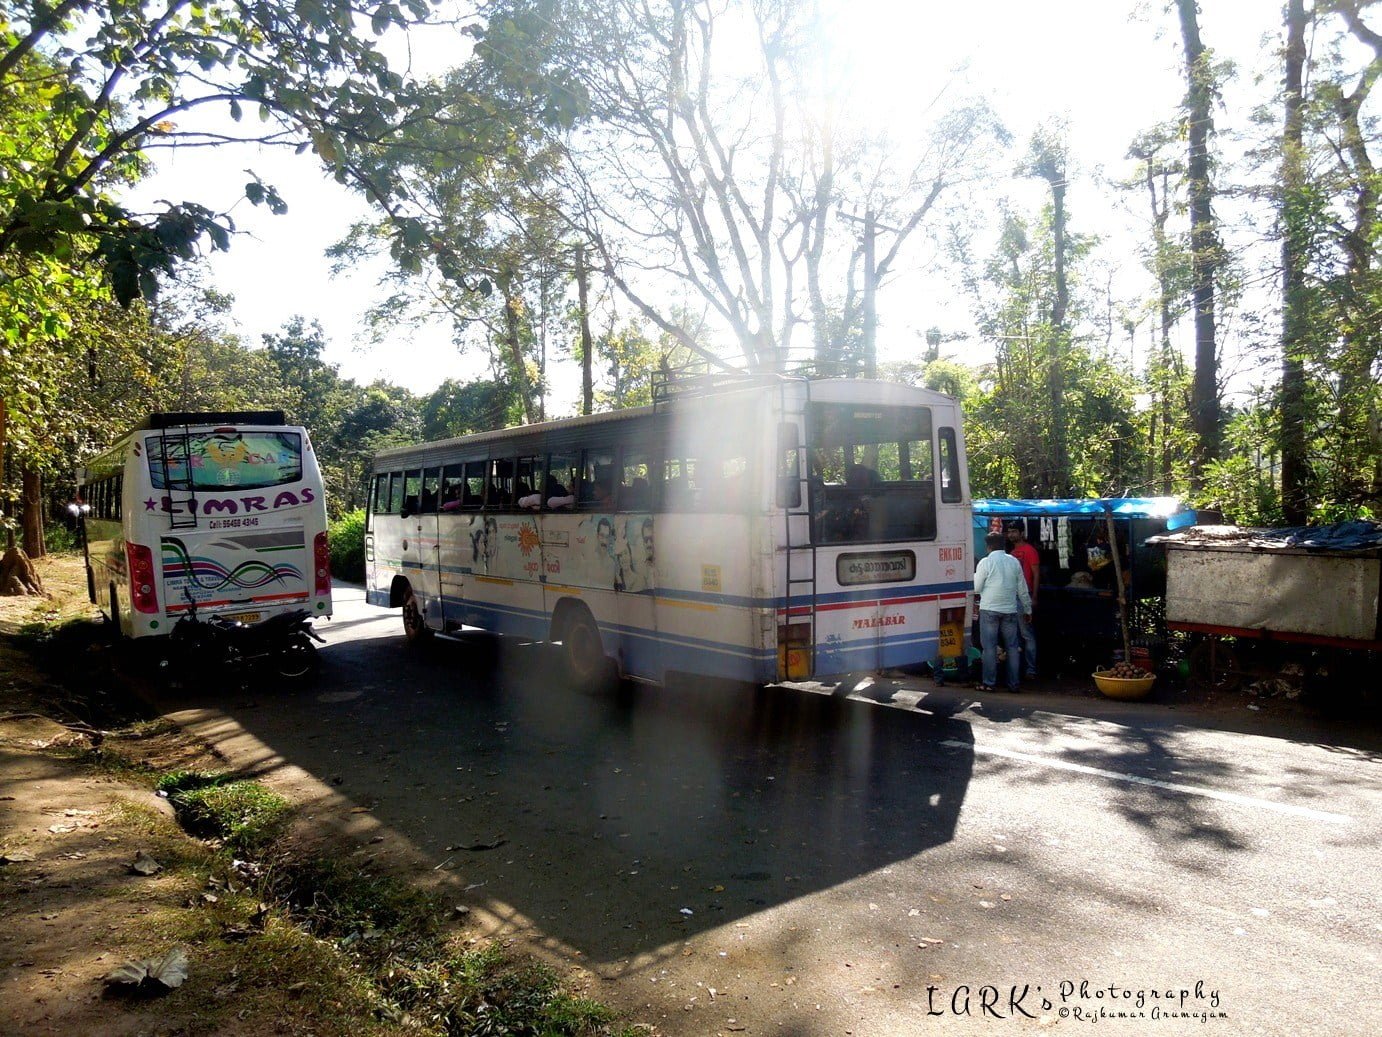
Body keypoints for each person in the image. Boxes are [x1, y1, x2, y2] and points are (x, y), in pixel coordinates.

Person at [973, 531, 1032, 693]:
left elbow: (977, 588)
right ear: (1004, 545)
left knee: (989, 648)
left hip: (989, 609)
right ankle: (1014, 684)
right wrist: (1027, 609)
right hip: (1010, 610)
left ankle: (989, 683)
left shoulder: (985, 562)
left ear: (988, 546)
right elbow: (1022, 589)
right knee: (1012, 647)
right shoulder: (1014, 562)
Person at [1006, 522, 1040, 679]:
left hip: (1024, 596)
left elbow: (1036, 574)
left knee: (1026, 634)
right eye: (1009, 532)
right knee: (1015, 635)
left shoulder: (1030, 550)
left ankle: (1031, 670)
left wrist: (1034, 597)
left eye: (1014, 532)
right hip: (1011, 597)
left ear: (1021, 532)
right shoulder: (1012, 553)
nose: (1011, 535)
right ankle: (1017, 670)